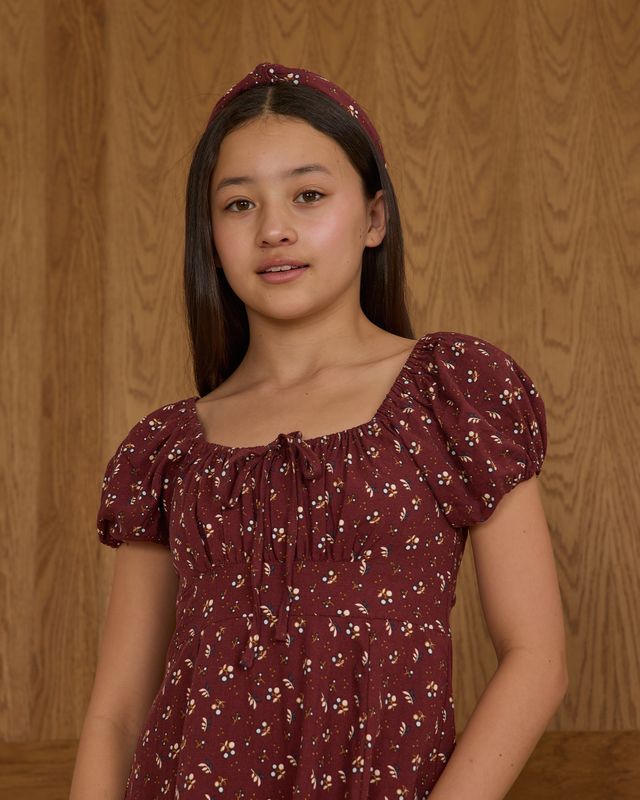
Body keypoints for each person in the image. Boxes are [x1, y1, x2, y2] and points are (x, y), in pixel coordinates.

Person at [70, 62, 568, 799]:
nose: (274, 229)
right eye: (239, 205)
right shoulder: (171, 450)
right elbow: (115, 714)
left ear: (374, 218)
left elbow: (537, 658)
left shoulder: (448, 395)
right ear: (209, 237)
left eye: (308, 194)